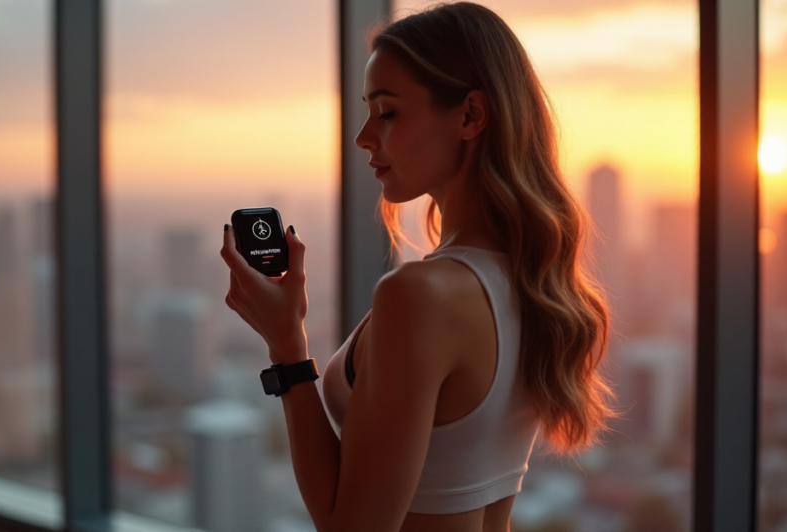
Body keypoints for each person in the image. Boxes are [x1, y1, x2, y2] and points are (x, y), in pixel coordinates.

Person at [219, 3, 615, 531]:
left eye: (387, 113)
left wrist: (288, 346)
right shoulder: (533, 281)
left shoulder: (421, 295)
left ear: (471, 116)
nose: (363, 137)